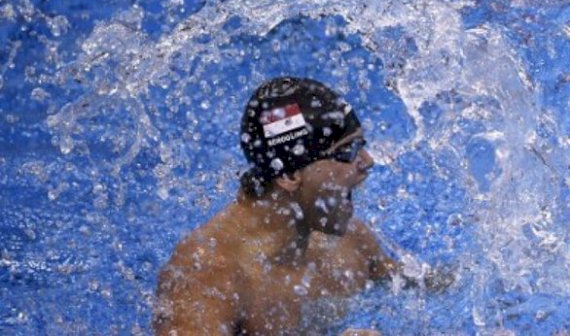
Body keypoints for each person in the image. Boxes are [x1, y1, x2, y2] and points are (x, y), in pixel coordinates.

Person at [153, 77, 449, 335]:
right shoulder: (208, 275)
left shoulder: (347, 243)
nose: (368, 161)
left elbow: (418, 284)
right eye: (347, 152)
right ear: (290, 175)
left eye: (362, 145)